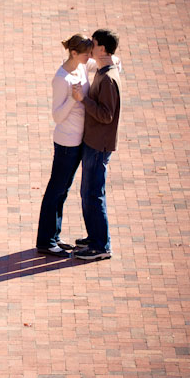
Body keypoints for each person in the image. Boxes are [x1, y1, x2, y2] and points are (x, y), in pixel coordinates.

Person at [36, 34, 93, 257]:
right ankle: (46, 241)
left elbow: (103, 62)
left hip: (78, 141)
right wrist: (73, 98)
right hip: (66, 142)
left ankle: (54, 236)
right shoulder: (61, 79)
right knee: (55, 191)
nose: (89, 57)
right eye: (86, 53)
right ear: (74, 53)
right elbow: (57, 116)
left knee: (63, 190)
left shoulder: (81, 66)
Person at [71, 29, 122, 260]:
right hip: (93, 143)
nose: (90, 46)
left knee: (93, 194)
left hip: (98, 146)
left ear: (102, 49)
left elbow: (106, 115)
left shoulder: (108, 79)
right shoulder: (103, 70)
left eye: (93, 43)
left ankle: (101, 246)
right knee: (88, 192)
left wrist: (84, 100)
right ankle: (95, 237)